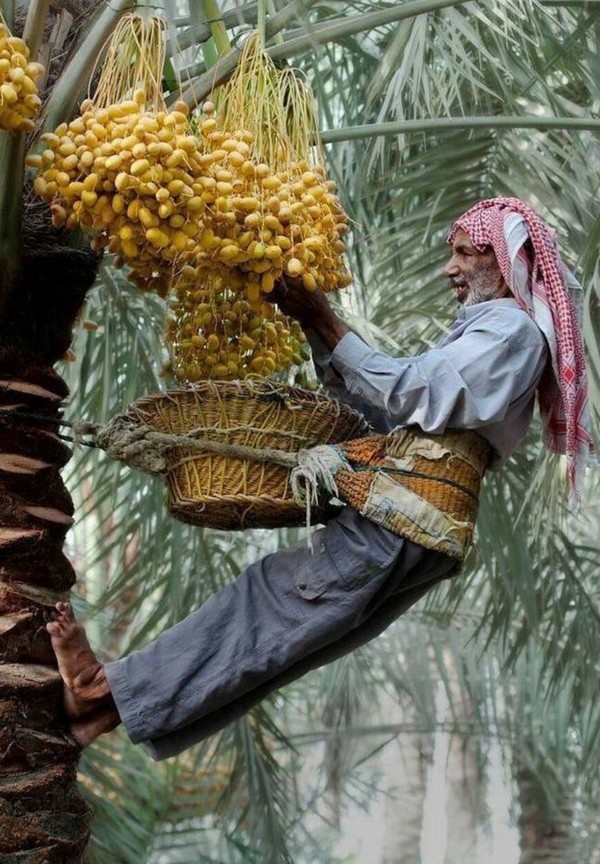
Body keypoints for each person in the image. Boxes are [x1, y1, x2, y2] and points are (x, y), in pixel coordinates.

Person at [47, 197, 595, 760]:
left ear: (504, 265)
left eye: (462, 253)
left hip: (405, 515)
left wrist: (326, 320)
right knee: (288, 643)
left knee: (267, 604)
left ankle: (100, 685)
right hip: (424, 528)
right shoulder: (495, 334)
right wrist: (320, 336)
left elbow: (412, 391)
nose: (448, 269)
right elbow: (394, 416)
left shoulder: (510, 330)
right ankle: (101, 715)